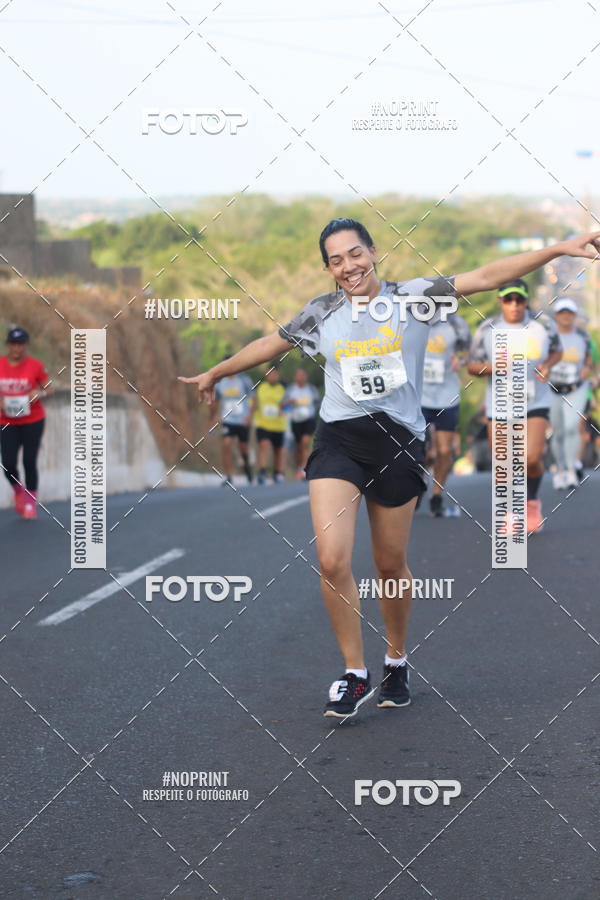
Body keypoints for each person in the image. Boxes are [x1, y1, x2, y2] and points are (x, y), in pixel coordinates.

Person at [180, 220, 600, 718]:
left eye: (355, 254)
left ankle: (396, 660)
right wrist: (217, 371)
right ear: (328, 268)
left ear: (373, 252)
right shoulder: (321, 311)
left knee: (389, 564)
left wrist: (558, 248)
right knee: (332, 560)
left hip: (397, 442)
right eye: (336, 260)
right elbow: (271, 344)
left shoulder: (414, 298)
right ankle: (354, 673)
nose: (348, 266)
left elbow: (488, 275)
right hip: (338, 440)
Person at [467, 278, 563, 534]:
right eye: (508, 299)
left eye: (519, 299)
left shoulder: (543, 325)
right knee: (503, 461)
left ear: (526, 301)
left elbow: (557, 351)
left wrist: (548, 365)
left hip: (535, 401)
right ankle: (511, 513)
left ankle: (531, 503)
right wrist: (492, 367)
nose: (514, 305)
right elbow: (471, 365)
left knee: (531, 457)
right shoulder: (486, 328)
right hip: (500, 404)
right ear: (500, 301)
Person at [420, 312, 471, 516]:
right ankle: (418, 482)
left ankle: (436, 495)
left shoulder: (456, 324)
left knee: (444, 451)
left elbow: (468, 352)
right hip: (419, 397)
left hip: (447, 397)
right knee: (421, 452)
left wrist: (461, 361)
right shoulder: (412, 317)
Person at [0, 327, 52, 519]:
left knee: (29, 461)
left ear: (26, 346)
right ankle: (18, 490)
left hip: (32, 420)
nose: (17, 348)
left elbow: (50, 389)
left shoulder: (35, 366)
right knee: (8, 463)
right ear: (8, 345)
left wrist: (40, 393)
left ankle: (30, 503)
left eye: (21, 344)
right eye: (13, 344)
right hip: (6, 421)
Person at [548, 299, 592, 489]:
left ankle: (572, 471)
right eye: (562, 313)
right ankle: (561, 470)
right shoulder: (549, 336)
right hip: (552, 389)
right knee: (557, 431)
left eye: (569, 313)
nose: (566, 316)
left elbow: (589, 356)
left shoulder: (582, 336)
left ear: (574, 315)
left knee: (571, 427)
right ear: (556, 316)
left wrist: (587, 368)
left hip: (576, 388)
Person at [209, 359, 254, 486]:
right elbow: (216, 401)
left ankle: (247, 466)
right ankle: (229, 476)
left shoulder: (244, 380)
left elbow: (254, 399)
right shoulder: (220, 383)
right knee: (226, 445)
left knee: (243, 448)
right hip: (228, 420)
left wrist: (249, 416)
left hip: (242, 420)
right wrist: (212, 418)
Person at [283, 369, 321, 480]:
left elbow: (318, 403)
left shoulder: (311, 389)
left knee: (305, 442)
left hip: (309, 419)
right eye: (298, 375)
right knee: (299, 447)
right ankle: (299, 468)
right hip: (295, 420)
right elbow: (282, 404)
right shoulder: (291, 390)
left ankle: (305, 469)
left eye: (302, 375)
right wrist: (290, 402)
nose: (301, 377)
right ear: (295, 377)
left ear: (306, 376)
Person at [252, 366, 287, 484]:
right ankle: (263, 471)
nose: (272, 377)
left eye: (274, 374)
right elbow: (254, 403)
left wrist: (284, 410)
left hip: (278, 425)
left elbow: (289, 404)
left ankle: (277, 473)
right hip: (263, 423)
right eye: (270, 374)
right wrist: (249, 416)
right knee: (263, 445)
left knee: (278, 450)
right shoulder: (260, 388)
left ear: (278, 376)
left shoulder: (282, 389)